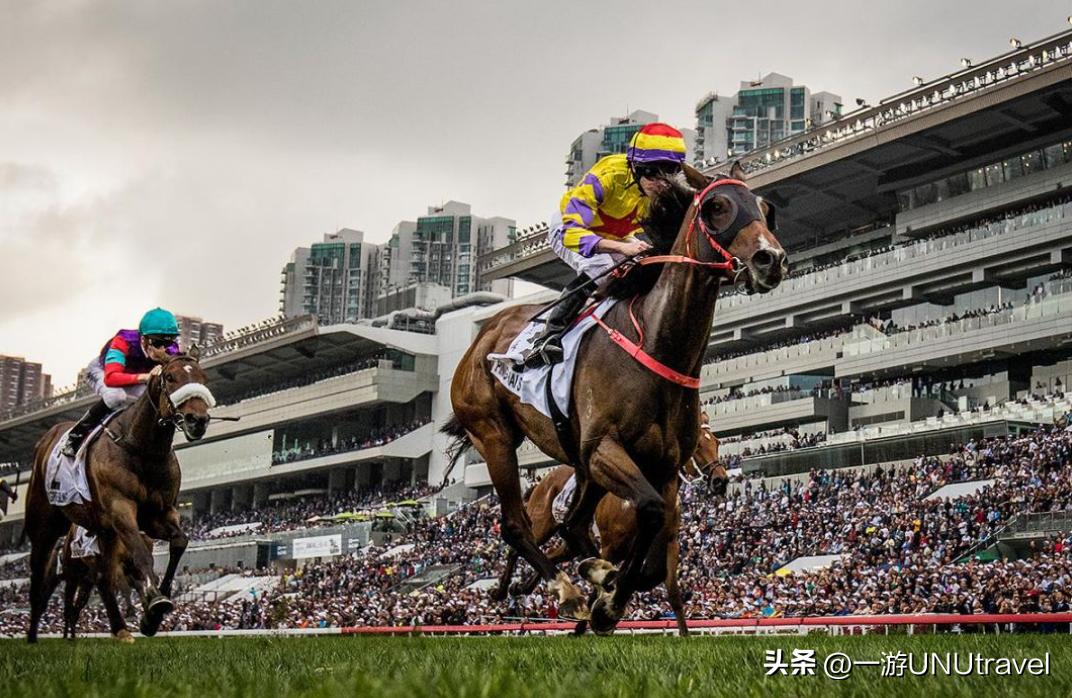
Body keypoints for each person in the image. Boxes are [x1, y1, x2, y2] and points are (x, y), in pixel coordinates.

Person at [526, 123, 688, 366]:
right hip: (571, 227)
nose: (661, 185)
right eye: (653, 174)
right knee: (597, 267)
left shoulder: (663, 192)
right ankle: (548, 336)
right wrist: (622, 248)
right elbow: (572, 231)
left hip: (617, 235)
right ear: (635, 167)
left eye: (668, 174)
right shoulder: (607, 175)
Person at [60, 308, 181, 457]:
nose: (163, 348)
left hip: (133, 373)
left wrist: (166, 360)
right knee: (116, 396)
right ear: (143, 339)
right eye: (157, 342)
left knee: (151, 397)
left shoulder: (172, 349)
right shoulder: (123, 341)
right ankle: (75, 437)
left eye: (168, 343)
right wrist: (144, 377)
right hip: (103, 371)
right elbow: (111, 378)